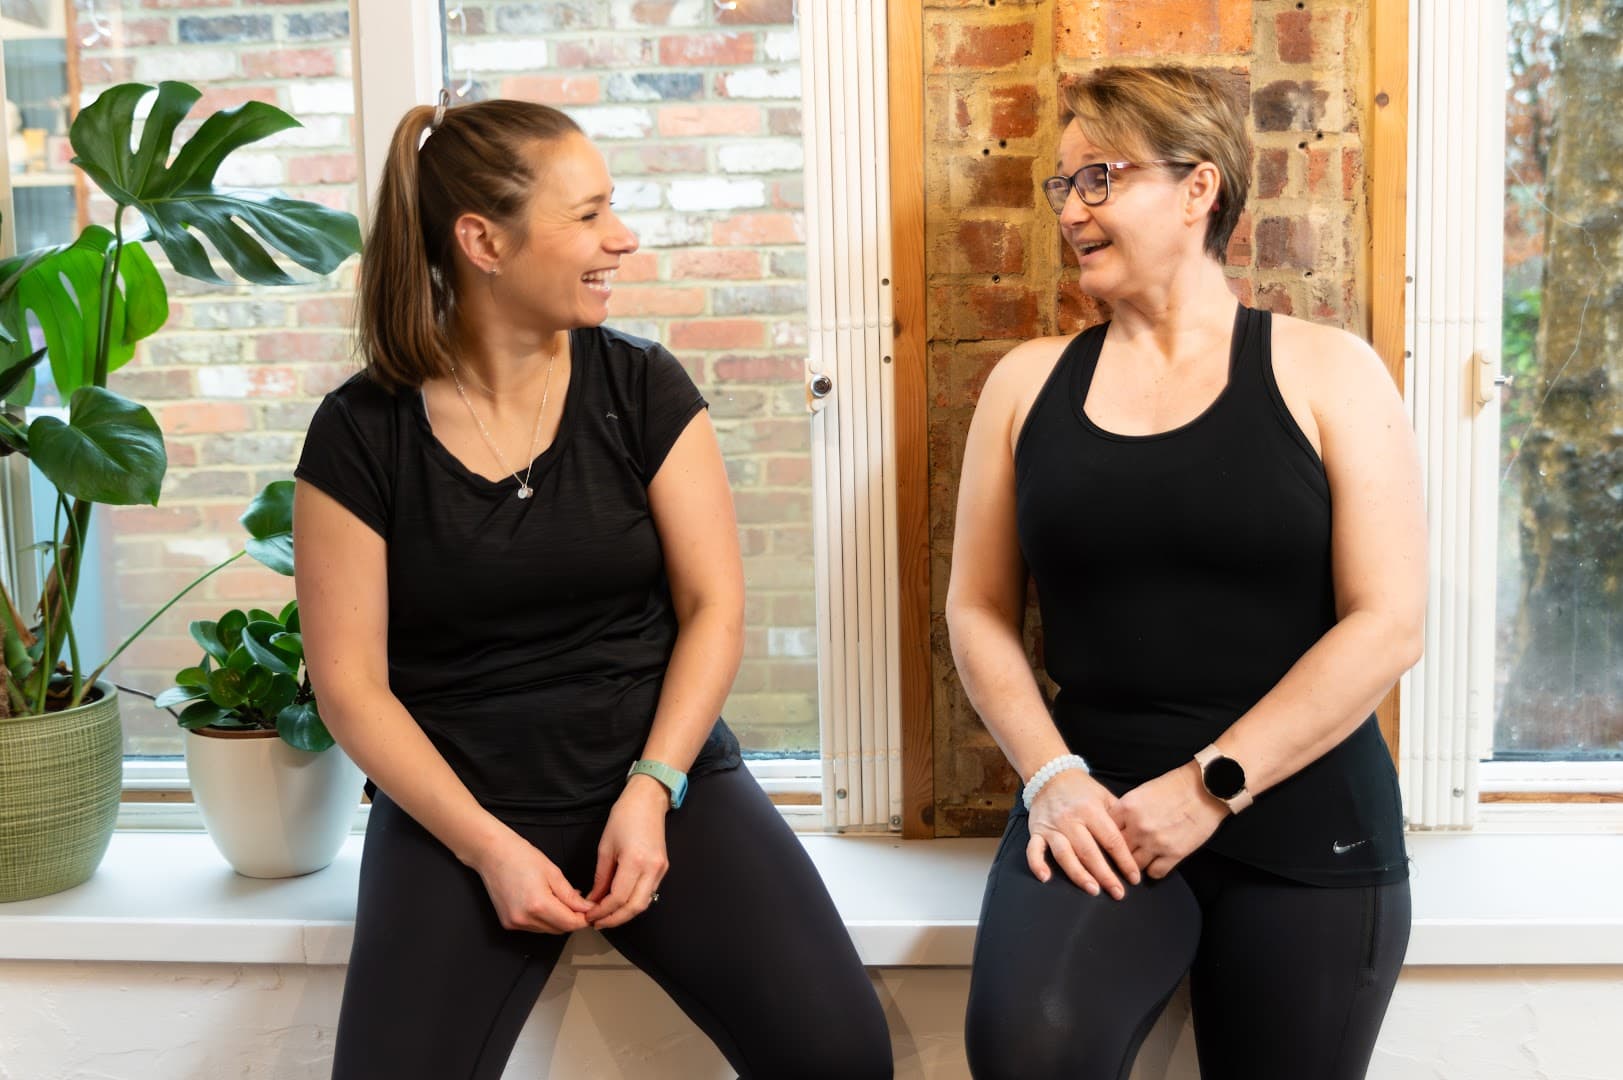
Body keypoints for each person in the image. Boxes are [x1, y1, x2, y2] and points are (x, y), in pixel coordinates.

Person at [293, 96, 893, 1080]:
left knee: (839, 1054)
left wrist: (654, 789)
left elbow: (714, 611)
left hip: (657, 776)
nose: (622, 239)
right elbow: (351, 686)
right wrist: (487, 847)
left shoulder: (641, 387)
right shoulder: (361, 433)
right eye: (588, 216)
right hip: (459, 807)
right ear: (483, 241)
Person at [946, 65, 1424, 1080]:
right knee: (1028, 1051)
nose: (1071, 209)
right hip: (1097, 807)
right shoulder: (1025, 384)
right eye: (1063, 187)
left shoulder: (1330, 369)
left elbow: (1389, 623)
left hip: (1305, 809)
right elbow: (979, 612)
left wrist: (1212, 786)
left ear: (1199, 187)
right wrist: (1052, 778)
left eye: (1099, 179)